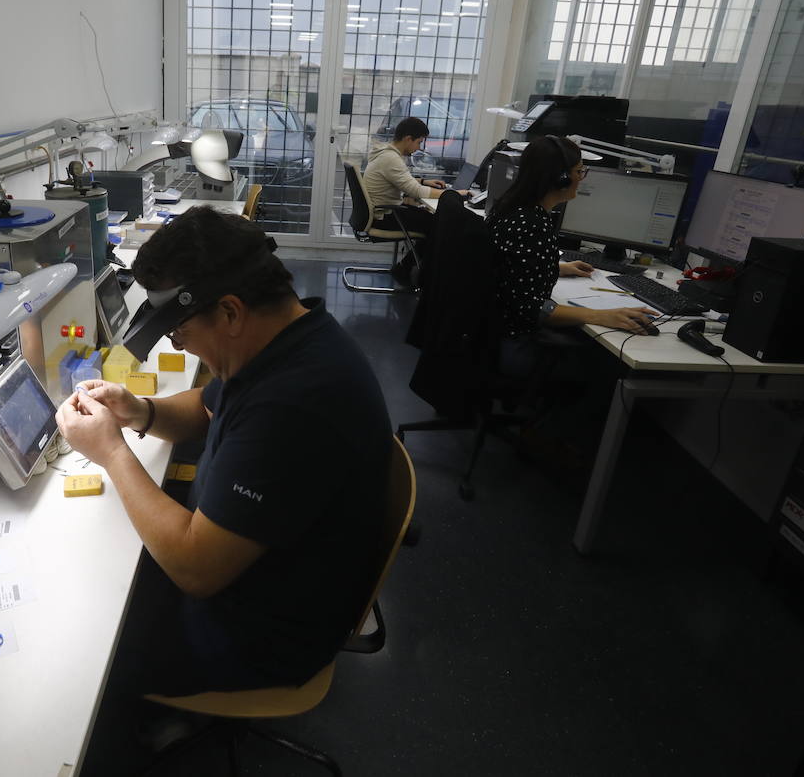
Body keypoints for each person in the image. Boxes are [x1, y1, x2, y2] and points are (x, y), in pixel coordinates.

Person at [55, 206, 391, 698]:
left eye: (181, 334)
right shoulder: (286, 341)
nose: (183, 348)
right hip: (260, 574)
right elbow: (207, 407)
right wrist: (139, 411)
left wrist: (111, 453)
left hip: (261, 634)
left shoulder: (294, 405)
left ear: (231, 311)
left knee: (82, 647)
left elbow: (197, 569)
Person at [488, 134, 659, 351]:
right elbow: (530, 308)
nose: (581, 177)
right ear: (561, 178)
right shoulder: (531, 224)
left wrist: (553, 267)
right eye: (579, 171)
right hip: (514, 342)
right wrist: (602, 316)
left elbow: (509, 272)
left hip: (493, 332)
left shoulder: (514, 207)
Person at [363, 116, 470, 284]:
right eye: (419, 142)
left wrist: (424, 181)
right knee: (440, 225)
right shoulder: (391, 158)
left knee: (434, 221)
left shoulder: (386, 153)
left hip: (384, 212)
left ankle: (405, 268)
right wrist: (453, 193)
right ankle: (413, 273)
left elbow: (402, 180)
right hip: (385, 216)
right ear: (408, 139)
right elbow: (415, 191)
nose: (419, 147)